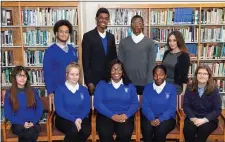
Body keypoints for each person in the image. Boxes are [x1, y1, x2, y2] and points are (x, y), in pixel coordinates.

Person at [94, 59, 139, 142]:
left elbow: (135, 103)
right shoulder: (102, 84)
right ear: (109, 71)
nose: (116, 71)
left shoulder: (129, 85)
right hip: (106, 115)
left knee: (125, 133)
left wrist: (126, 115)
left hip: (124, 116)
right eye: (113, 69)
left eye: (119, 69)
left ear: (123, 71)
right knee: (105, 134)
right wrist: (112, 115)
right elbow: (97, 103)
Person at [82, 7, 117, 95]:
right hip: (94, 81)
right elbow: (85, 61)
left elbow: (114, 59)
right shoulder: (88, 36)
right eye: (101, 18)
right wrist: (89, 82)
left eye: (106, 18)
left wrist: (115, 77)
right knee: (96, 107)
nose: (103, 20)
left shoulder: (111, 37)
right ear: (96, 19)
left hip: (109, 79)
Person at [4, 66, 43, 142]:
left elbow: (40, 108)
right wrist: (22, 123)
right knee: (27, 133)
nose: (22, 78)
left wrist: (34, 121)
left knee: (30, 132)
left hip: (33, 122)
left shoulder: (33, 91)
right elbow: (7, 114)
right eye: (19, 75)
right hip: (18, 123)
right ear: (14, 77)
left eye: (24, 75)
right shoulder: (9, 93)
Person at [118, 15, 155, 95]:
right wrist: (121, 80)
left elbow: (152, 64)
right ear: (131, 25)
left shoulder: (150, 43)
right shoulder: (123, 42)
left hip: (144, 83)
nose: (137, 24)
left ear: (143, 25)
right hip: (127, 82)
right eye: (134, 22)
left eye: (139, 22)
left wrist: (149, 83)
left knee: (142, 106)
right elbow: (120, 63)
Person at [183, 65, 222, 142]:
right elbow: (186, 105)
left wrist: (204, 120)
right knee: (188, 130)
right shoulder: (190, 87)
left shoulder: (214, 89)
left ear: (209, 76)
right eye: (199, 73)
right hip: (192, 117)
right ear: (196, 75)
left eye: (205, 74)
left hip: (209, 119)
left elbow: (217, 109)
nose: (202, 76)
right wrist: (193, 118)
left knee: (203, 131)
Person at [54, 62, 91, 142]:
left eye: (77, 74)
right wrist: (74, 120)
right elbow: (60, 110)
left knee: (86, 131)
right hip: (64, 118)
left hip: (81, 117)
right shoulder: (59, 89)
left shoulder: (84, 90)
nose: (75, 77)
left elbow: (87, 108)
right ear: (67, 75)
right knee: (73, 130)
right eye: (72, 74)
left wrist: (79, 119)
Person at [43, 20, 78, 99]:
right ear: (56, 33)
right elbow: (47, 73)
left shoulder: (72, 50)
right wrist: (50, 91)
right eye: (61, 31)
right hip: (57, 90)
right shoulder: (50, 51)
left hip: (72, 88)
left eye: (66, 32)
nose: (64, 34)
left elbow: (76, 69)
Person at [141, 64, 176, 142]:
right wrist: (152, 118)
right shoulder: (147, 87)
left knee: (160, 131)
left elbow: (172, 108)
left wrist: (160, 119)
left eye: (161, 75)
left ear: (165, 75)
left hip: (167, 118)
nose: (158, 77)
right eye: (155, 75)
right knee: (147, 130)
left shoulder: (171, 88)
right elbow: (145, 106)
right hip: (149, 116)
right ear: (153, 76)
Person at [162, 30, 190, 95]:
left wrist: (183, 92)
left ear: (179, 41)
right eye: (170, 40)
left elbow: (184, 76)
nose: (171, 43)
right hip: (163, 85)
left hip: (175, 87)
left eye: (174, 40)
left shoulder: (184, 56)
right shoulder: (167, 53)